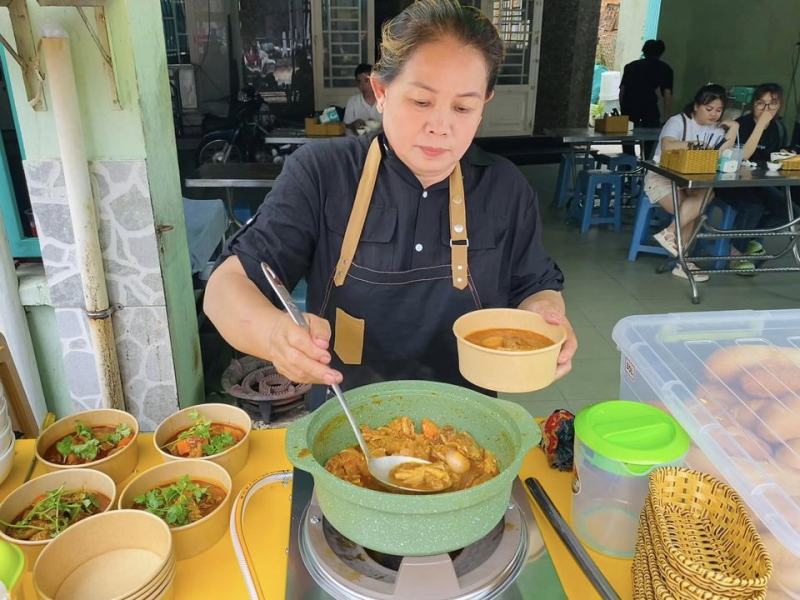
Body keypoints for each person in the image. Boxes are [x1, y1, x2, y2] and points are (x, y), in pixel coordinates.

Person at [204, 0, 577, 409]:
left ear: (484, 104)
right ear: (381, 92)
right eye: (421, 101)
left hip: (469, 429)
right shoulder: (323, 173)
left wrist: (547, 321)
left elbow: (535, 287)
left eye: (463, 107)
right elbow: (225, 289)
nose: (440, 125)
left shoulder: (504, 187)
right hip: (345, 429)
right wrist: (275, 336)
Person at [645, 84, 740, 281]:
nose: (714, 114)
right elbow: (667, 145)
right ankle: (683, 262)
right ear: (696, 106)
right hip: (662, 177)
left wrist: (735, 128)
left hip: (693, 181)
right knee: (689, 209)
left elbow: (723, 153)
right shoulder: (678, 121)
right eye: (709, 109)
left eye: (718, 110)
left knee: (706, 195)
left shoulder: (717, 129)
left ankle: (670, 234)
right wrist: (695, 145)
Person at [717, 83, 796, 272]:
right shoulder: (741, 124)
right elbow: (743, 155)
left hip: (759, 182)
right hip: (729, 181)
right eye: (761, 104)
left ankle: (749, 237)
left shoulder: (778, 128)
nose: (766, 110)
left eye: (772, 104)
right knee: (753, 207)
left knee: (790, 212)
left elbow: (772, 157)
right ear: (753, 104)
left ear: (780, 105)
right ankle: (736, 252)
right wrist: (760, 125)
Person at [619, 39, 673, 158]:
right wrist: (667, 118)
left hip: (629, 105)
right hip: (649, 106)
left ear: (644, 51)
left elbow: (622, 90)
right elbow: (667, 95)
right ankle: (647, 163)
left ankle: (628, 163)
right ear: (661, 53)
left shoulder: (631, 66)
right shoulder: (665, 69)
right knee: (651, 138)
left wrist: (622, 109)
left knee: (627, 138)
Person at [343, 64, 382, 131]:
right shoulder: (353, 101)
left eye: (366, 81)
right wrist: (353, 124)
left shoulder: (384, 101)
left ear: (375, 81)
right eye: (359, 82)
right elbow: (345, 125)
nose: (362, 85)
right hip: (358, 140)